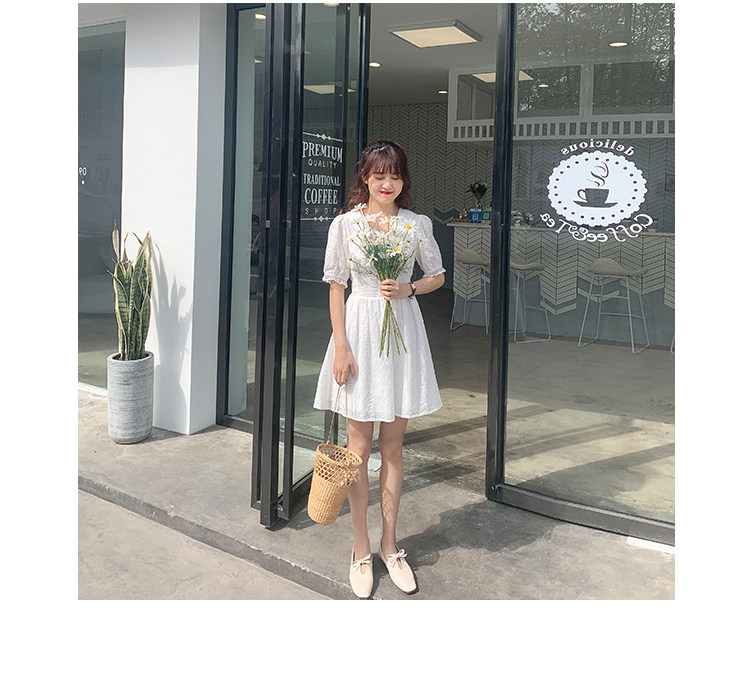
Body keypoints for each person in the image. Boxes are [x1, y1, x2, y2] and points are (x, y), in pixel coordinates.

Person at [312, 140, 445, 598]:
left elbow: (437, 275)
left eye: (395, 175)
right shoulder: (346, 225)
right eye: (378, 175)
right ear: (365, 178)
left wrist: (410, 289)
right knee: (358, 449)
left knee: (392, 447)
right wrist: (341, 348)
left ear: (403, 180)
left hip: (402, 333)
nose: (387, 183)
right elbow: (336, 286)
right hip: (359, 333)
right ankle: (361, 548)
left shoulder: (416, 224)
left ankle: (390, 545)